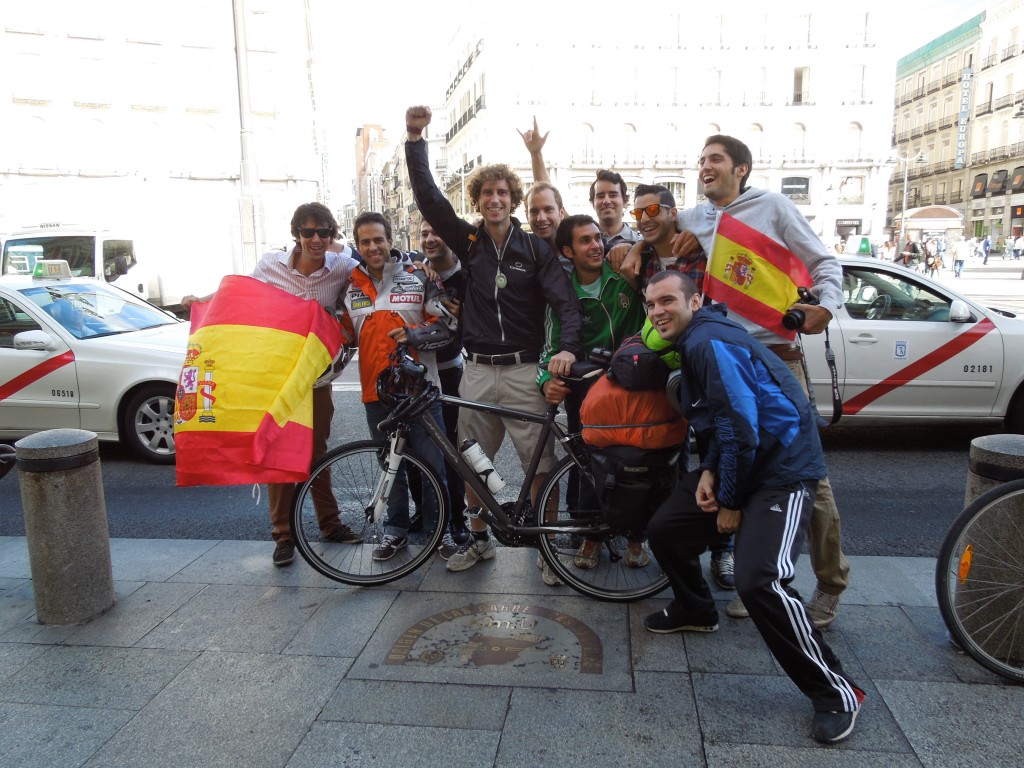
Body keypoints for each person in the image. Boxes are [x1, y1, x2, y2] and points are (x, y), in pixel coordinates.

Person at [642, 270, 864, 744]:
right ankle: (695, 608)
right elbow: (724, 422)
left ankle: (835, 693)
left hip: (783, 468)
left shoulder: (707, 343)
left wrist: (730, 500)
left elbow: (742, 425)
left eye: (667, 300)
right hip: (746, 459)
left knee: (759, 579)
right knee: (664, 529)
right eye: (651, 304)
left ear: (695, 301)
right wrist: (708, 471)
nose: (658, 311)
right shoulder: (699, 338)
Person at [666, 135, 850, 628]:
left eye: (716, 160)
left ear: (741, 168)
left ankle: (831, 584)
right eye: (701, 159)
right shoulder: (698, 217)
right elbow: (655, 226)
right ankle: (763, 577)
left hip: (775, 359)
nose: (705, 166)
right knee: (738, 462)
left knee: (807, 475)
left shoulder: (773, 207)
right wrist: (650, 239)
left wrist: (826, 306)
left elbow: (825, 263)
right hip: (724, 359)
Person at [405, 105, 583, 579]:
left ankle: (547, 551)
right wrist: (415, 140)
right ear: (478, 199)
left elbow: (567, 305)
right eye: (486, 193)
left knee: (540, 465)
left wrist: (566, 348)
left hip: (526, 370)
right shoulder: (468, 243)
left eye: (503, 192)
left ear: (513, 199)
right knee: (471, 459)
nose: (495, 199)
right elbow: (428, 200)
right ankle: (480, 540)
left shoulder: (537, 250)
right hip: (478, 369)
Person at [181, 202, 360, 567]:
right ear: (295, 233)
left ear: (331, 236)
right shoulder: (270, 266)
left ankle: (330, 524)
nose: (315, 239)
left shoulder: (342, 268)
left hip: (315, 378)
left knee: (316, 452)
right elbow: (239, 297)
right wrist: (204, 301)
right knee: (280, 453)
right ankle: (283, 535)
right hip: (274, 375)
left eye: (323, 233)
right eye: (308, 231)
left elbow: (375, 270)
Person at [537, 214, 646, 568]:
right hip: (584, 393)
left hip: (627, 387)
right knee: (586, 464)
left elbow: (645, 332)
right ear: (568, 250)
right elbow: (550, 347)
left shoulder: (625, 279)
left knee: (632, 464)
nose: (596, 245)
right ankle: (590, 535)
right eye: (585, 240)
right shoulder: (561, 291)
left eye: (597, 238)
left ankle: (634, 535)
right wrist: (545, 380)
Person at [345, 211, 452, 561]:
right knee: (389, 466)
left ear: (391, 241)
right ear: (358, 246)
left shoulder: (418, 275)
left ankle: (440, 533)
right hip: (376, 393)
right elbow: (342, 336)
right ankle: (395, 532)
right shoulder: (348, 286)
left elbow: (448, 325)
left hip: (419, 392)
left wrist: (414, 334)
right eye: (365, 242)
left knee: (433, 467)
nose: (373, 247)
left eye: (379, 239)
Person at [419, 219, 471, 557]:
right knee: (418, 451)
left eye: (436, 231)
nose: (430, 238)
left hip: (452, 373)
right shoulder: (414, 273)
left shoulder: (465, 275)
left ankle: (457, 519)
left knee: (453, 451)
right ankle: (425, 516)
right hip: (419, 374)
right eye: (424, 233)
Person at [519, 116, 639, 248]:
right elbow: (546, 195)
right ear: (592, 203)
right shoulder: (578, 233)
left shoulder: (640, 242)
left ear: (625, 201)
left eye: (613, 195)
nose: (606, 200)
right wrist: (536, 154)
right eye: (600, 196)